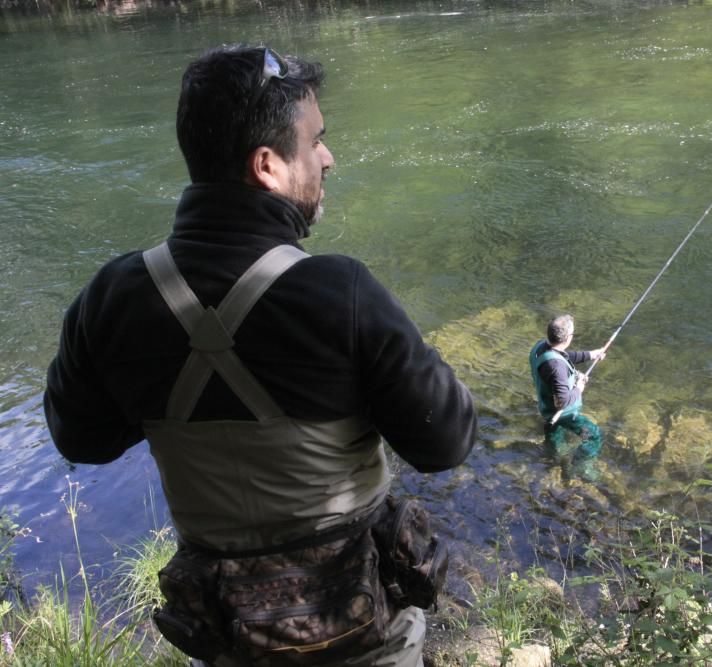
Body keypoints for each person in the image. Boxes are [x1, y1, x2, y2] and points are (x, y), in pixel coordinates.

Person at [44, 45, 477, 666]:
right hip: (364, 638)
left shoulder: (111, 299)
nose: (329, 157)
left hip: (231, 638)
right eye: (317, 142)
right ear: (268, 165)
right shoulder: (340, 292)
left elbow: (81, 440)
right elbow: (447, 442)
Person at [529, 314, 608, 481]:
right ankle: (580, 465)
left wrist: (591, 355)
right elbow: (562, 401)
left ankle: (552, 459)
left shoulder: (540, 347)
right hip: (563, 413)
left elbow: (562, 356)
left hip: (546, 408)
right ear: (568, 338)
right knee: (594, 434)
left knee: (554, 437)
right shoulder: (557, 367)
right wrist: (579, 388)